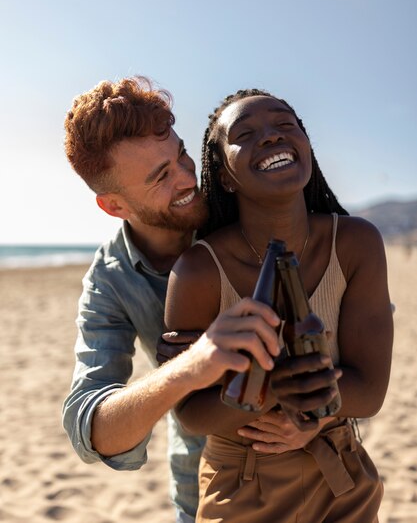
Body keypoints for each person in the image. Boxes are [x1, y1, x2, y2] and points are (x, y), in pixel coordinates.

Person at [62, 76, 338, 523]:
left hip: (321, 483)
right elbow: (90, 430)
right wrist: (192, 367)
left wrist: (317, 413)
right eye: (161, 177)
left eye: (181, 155)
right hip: (208, 497)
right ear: (114, 206)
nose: (189, 178)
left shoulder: (244, 199)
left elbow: (353, 326)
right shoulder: (110, 281)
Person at [164, 88, 394, 522]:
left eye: (286, 125)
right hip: (241, 484)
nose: (271, 137)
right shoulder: (199, 269)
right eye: (245, 134)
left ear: (306, 145)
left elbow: (371, 391)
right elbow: (190, 411)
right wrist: (278, 395)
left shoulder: (357, 243)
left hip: (341, 480)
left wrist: (312, 416)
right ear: (225, 176)